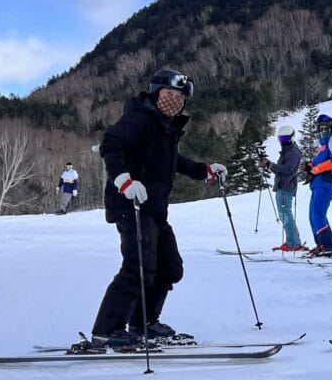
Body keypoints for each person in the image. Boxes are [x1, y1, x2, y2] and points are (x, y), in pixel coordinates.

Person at [74, 68, 225, 352]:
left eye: (180, 97)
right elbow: (111, 143)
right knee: (137, 268)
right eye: (168, 94)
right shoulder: (140, 119)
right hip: (130, 205)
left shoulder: (165, 127)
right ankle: (107, 332)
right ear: (155, 93)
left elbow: (171, 160)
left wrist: (203, 171)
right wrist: (124, 180)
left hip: (154, 209)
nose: (174, 100)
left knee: (170, 267)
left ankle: (143, 323)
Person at [262, 124, 306, 251]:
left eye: (286, 139)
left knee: (285, 214)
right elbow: (281, 171)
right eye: (281, 139)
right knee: (284, 214)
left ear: (291, 138)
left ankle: (294, 243)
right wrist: (269, 166)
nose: (283, 142)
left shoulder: (293, 152)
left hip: (286, 187)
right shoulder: (287, 152)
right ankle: (292, 242)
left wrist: (271, 164)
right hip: (282, 186)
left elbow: (288, 169)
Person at [305, 114, 332, 257]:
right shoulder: (322, 148)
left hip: (326, 185)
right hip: (317, 185)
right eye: (321, 130)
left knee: (318, 214)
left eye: (326, 129)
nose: (323, 132)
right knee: (312, 216)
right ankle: (321, 244)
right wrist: (309, 166)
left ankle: (329, 247)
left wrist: (316, 169)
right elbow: (317, 165)